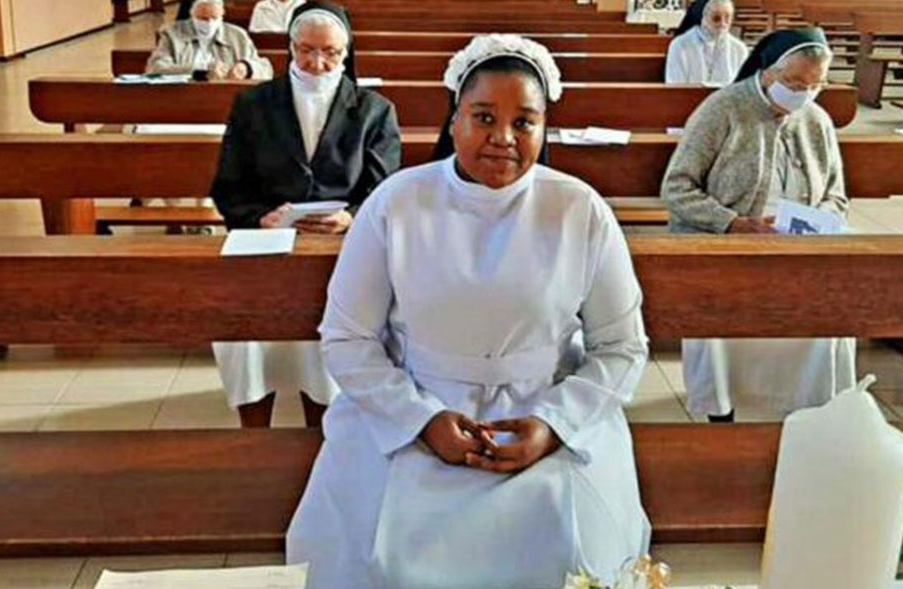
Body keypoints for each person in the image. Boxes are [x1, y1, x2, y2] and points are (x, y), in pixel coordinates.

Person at [286, 34, 651, 589]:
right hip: (411, 409)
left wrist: (554, 425)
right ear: (454, 121)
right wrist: (420, 420)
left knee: (568, 545)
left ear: (544, 128)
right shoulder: (397, 203)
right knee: (380, 551)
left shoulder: (579, 209)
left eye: (524, 122)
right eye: (484, 117)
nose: (503, 138)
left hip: (544, 415)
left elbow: (622, 346)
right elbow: (346, 336)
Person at [210, 1, 402, 427]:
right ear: (290, 47)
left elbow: (386, 189)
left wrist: (352, 216)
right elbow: (228, 185)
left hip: (342, 243)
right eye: (306, 50)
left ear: (346, 52)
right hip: (265, 241)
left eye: (330, 52)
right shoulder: (253, 104)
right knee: (247, 321)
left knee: (329, 332)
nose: (317, 63)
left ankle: (328, 424)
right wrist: (259, 217)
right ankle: (254, 427)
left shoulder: (374, 110)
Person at [661, 28, 854, 422]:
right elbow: (676, 188)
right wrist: (736, 224)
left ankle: (810, 408)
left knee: (833, 305)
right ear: (767, 72)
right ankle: (721, 406)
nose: (803, 94)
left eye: (815, 85)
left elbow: (836, 194)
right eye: (794, 83)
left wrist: (819, 223)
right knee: (719, 305)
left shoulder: (816, 119)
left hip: (799, 246)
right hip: (725, 240)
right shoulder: (723, 108)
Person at [147, 0, 273, 80]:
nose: (209, 23)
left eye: (214, 18)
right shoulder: (172, 34)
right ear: (192, 15)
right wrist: (201, 69)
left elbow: (265, 69)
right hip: (183, 97)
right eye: (203, 18)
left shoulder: (237, 35)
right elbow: (155, 68)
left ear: (222, 15)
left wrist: (247, 68)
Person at [665, 0, 749, 84]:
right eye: (716, 18)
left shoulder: (739, 49)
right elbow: (675, 86)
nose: (723, 24)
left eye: (727, 18)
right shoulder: (680, 45)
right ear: (704, 18)